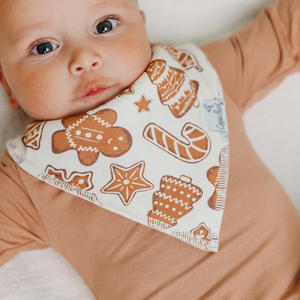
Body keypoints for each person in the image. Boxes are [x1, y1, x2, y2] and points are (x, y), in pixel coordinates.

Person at [0, 0, 299, 299]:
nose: (85, 58)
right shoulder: (27, 179)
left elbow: (284, 33)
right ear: (8, 87)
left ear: (143, 27)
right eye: (43, 48)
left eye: (105, 26)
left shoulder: (198, 80)